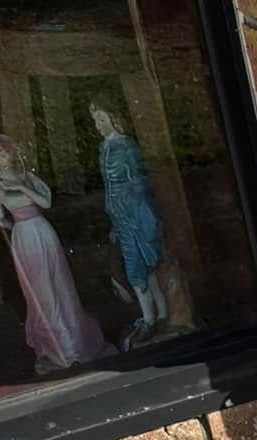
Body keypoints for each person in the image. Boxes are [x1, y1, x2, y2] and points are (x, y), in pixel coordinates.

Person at [0, 131, 111, 374]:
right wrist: (17, 226)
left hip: (43, 231)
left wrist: (21, 187)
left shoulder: (27, 178)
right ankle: (60, 349)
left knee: (60, 283)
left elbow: (46, 202)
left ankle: (77, 342)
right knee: (41, 291)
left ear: (10, 152)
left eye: (1, 151)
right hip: (25, 237)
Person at [90, 101, 167, 346]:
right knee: (138, 266)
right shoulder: (104, 147)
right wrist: (115, 219)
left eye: (102, 119)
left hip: (135, 213)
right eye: (95, 121)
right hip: (121, 217)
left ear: (113, 118)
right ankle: (155, 315)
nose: (98, 125)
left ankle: (153, 318)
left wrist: (139, 214)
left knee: (141, 266)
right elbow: (109, 187)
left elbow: (141, 182)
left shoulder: (127, 146)